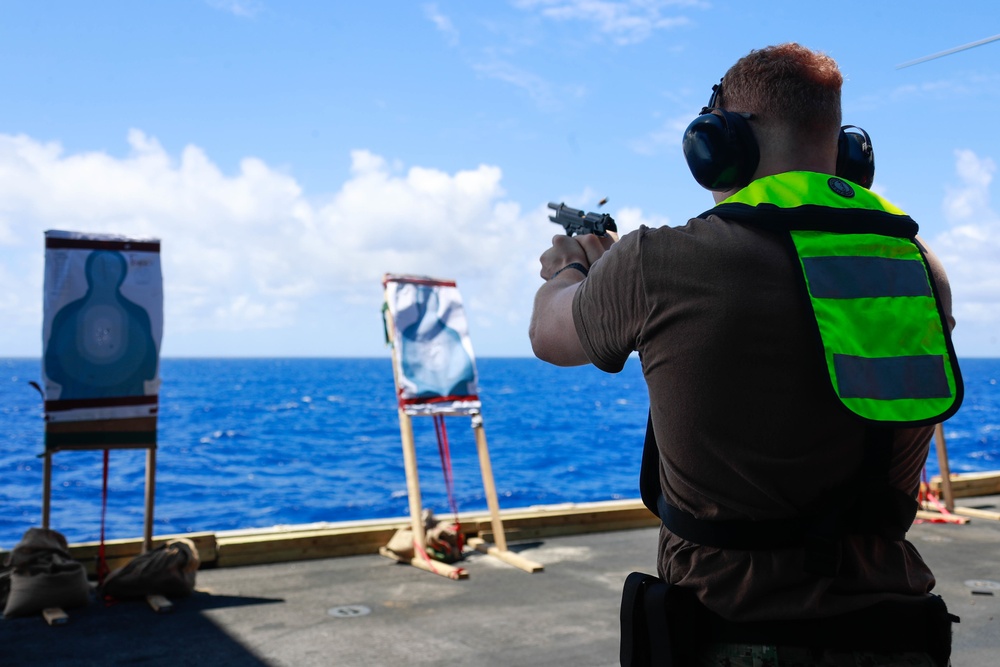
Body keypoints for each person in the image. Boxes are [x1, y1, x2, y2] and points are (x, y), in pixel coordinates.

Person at [529, 43, 962, 666]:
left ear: (720, 142)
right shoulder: (921, 267)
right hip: (891, 633)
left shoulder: (658, 260)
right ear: (843, 149)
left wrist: (569, 270)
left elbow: (550, 335)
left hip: (726, 632)